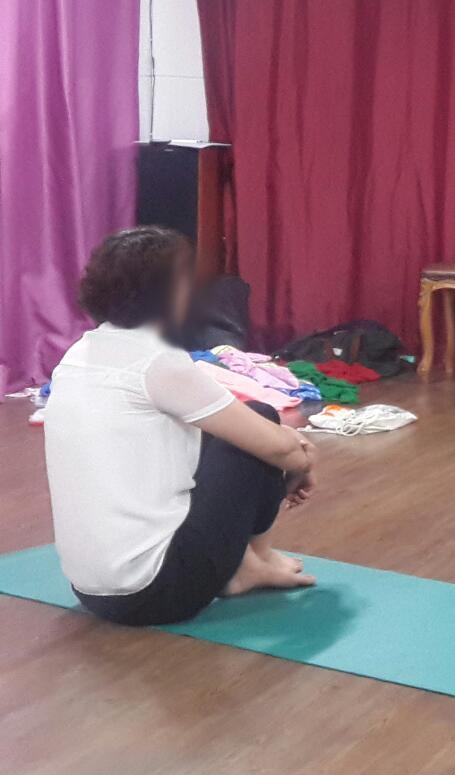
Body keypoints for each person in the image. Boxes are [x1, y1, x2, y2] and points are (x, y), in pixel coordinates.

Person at [42, 227, 319, 626]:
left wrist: (290, 450)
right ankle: (256, 561)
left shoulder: (78, 353)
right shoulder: (157, 361)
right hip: (157, 592)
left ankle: (245, 564)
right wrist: (302, 461)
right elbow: (276, 447)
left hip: (90, 590)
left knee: (241, 433)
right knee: (261, 417)